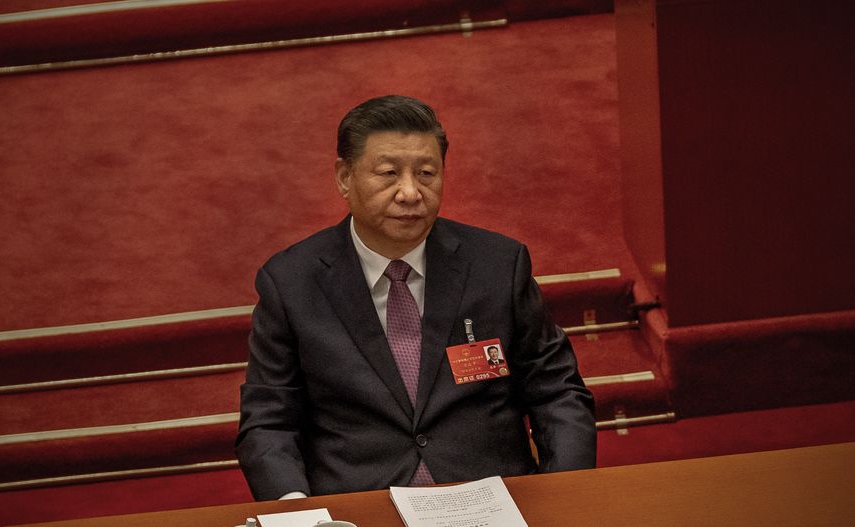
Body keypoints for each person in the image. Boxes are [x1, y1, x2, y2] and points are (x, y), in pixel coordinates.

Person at [235, 95, 595, 501]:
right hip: (359, 506)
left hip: (490, 501)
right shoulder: (291, 282)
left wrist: (567, 490)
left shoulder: (498, 265)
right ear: (344, 177)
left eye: (426, 173)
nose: (410, 192)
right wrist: (296, 509)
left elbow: (558, 392)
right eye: (388, 173)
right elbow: (268, 422)